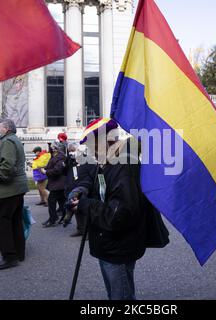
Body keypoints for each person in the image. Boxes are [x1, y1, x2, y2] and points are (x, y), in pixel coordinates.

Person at [70, 118, 165, 300]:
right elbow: (93, 182)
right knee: (116, 294)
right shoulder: (108, 160)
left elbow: (119, 214)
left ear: (104, 141)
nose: (90, 150)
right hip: (108, 242)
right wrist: (81, 191)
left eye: (92, 145)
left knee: (121, 296)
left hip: (118, 246)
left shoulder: (123, 165)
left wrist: (85, 205)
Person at [0, 119, 29, 270]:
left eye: (0, 128)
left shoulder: (8, 141)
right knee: (14, 220)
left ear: (7, 129)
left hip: (6, 190)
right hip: (14, 189)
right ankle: (18, 253)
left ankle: (10, 257)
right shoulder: (13, 140)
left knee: (0, 221)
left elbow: (8, 165)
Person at [42, 142, 66, 228]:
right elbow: (51, 166)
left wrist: (46, 172)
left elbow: (57, 170)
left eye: (52, 147)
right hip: (57, 183)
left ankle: (53, 219)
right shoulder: (55, 156)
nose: (50, 148)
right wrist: (44, 168)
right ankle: (64, 218)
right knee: (62, 202)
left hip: (58, 184)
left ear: (56, 148)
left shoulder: (60, 157)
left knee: (52, 201)